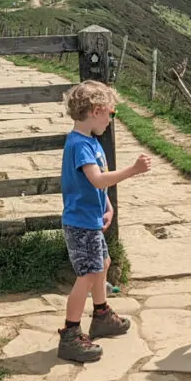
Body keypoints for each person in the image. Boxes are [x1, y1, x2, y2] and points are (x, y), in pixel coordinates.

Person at [57, 80, 152, 363]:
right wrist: (133, 170)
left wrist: (107, 204)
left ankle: (101, 315)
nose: (111, 120)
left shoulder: (90, 141)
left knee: (104, 264)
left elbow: (95, 185)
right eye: (111, 113)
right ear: (97, 111)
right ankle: (70, 335)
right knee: (86, 275)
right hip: (81, 223)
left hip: (90, 220)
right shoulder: (80, 145)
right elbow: (97, 179)